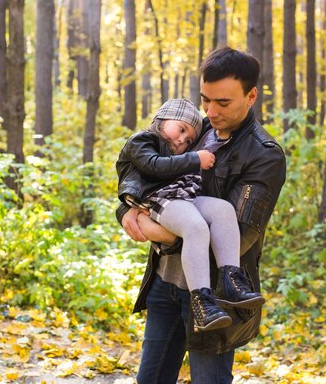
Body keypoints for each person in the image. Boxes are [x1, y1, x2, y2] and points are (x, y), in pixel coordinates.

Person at [116, 46, 286, 384]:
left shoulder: (264, 155)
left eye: (223, 102)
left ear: (251, 96)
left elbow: (239, 235)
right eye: (205, 99)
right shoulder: (191, 130)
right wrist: (124, 211)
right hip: (166, 281)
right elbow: (142, 172)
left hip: (217, 296)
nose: (211, 110)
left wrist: (150, 226)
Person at [116, 98, 265, 333]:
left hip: (181, 195)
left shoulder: (254, 146)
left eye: (188, 141)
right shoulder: (141, 140)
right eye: (181, 129)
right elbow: (154, 166)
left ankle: (231, 279)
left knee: (223, 210)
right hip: (157, 198)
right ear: (162, 118)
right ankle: (202, 302)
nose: (181, 141)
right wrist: (196, 158)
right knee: (195, 226)